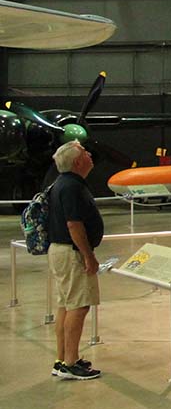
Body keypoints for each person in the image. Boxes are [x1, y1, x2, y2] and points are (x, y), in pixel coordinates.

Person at [47, 140, 104, 380]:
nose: (90, 155)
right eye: (85, 153)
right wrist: (88, 256)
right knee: (79, 306)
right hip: (72, 253)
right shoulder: (71, 187)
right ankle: (70, 363)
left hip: (61, 251)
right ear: (78, 161)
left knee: (66, 305)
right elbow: (74, 224)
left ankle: (63, 359)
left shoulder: (62, 184)